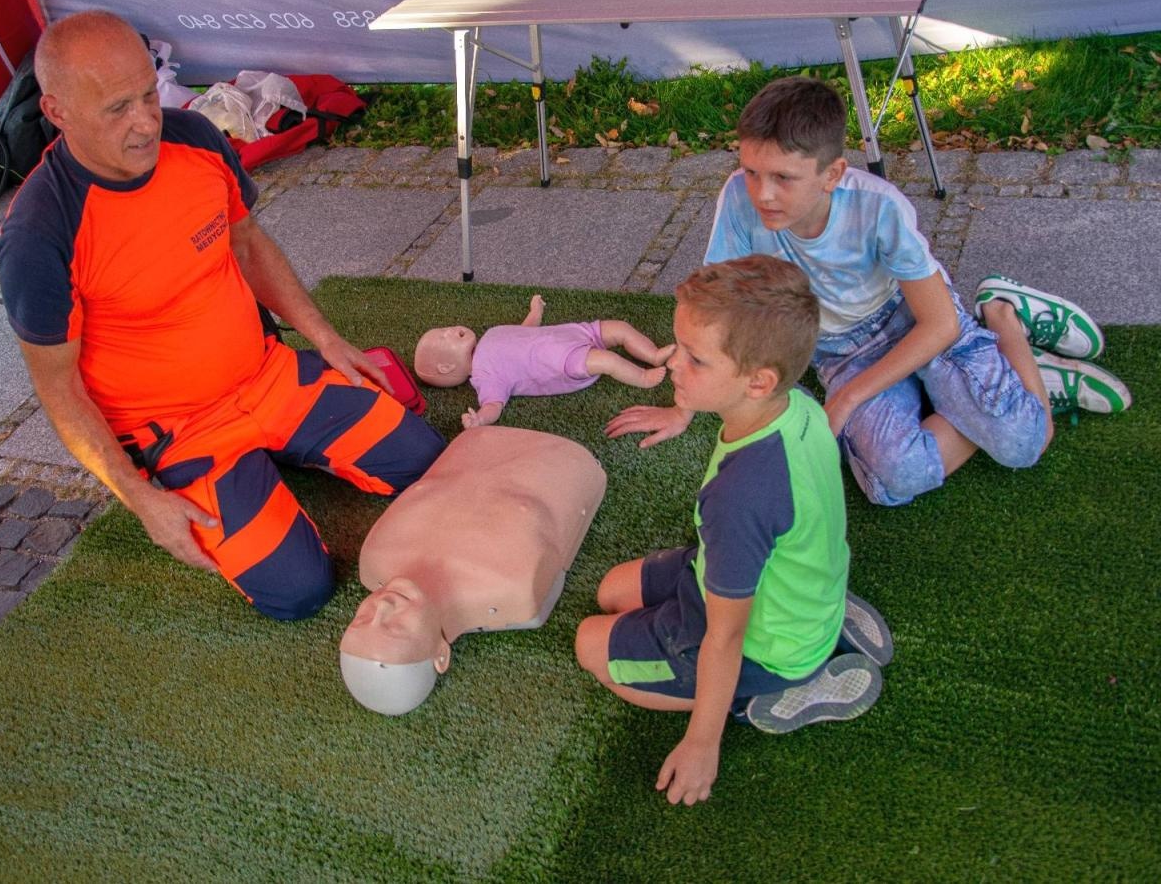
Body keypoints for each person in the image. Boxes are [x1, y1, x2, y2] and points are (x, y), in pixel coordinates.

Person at [0, 10, 444, 621]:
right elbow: (58, 388)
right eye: (117, 108)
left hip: (267, 375)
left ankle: (295, 434)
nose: (146, 122)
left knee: (428, 461)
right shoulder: (39, 232)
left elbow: (249, 244)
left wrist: (327, 339)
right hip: (179, 432)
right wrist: (141, 499)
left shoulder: (196, 138)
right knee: (298, 591)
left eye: (149, 95)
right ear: (57, 111)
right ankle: (255, 472)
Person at [607, 75, 1132, 507]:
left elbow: (939, 324)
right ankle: (992, 393)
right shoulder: (738, 201)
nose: (762, 194)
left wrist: (851, 397)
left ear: (833, 173)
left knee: (1025, 443)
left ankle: (1003, 317)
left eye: (784, 178)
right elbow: (717, 313)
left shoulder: (880, 208)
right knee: (889, 485)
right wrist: (683, 405)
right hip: (840, 351)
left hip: (915, 322)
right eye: (749, 171)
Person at [577, 256, 887, 807]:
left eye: (695, 359)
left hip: (765, 646)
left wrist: (703, 741)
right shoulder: (799, 405)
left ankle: (783, 685)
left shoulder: (740, 496)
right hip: (790, 584)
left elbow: (725, 637)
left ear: (757, 380)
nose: (673, 364)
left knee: (588, 647)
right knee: (610, 590)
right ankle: (823, 621)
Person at [340, 425, 607, 715]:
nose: (383, 606)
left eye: (362, 618)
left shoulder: (376, 554)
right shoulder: (512, 586)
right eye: (397, 627)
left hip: (479, 437)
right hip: (566, 453)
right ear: (441, 655)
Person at [414, 294, 673, 428]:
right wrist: (480, 419)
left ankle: (652, 354)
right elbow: (494, 405)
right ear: (446, 367)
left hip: (574, 334)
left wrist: (534, 312)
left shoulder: (490, 334)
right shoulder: (484, 377)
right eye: (443, 336)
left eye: (443, 328)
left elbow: (523, 331)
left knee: (619, 327)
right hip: (564, 362)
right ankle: (642, 377)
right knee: (607, 361)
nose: (448, 329)